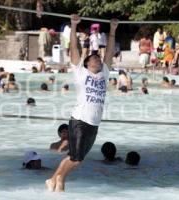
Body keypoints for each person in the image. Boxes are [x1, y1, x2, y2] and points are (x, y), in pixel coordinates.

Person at [45, 14, 118, 192]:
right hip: (79, 120)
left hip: (94, 123)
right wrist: (73, 25)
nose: (98, 59)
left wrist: (113, 30)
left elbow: (108, 52)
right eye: (94, 58)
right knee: (76, 159)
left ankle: (53, 180)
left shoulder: (104, 74)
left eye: (98, 58)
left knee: (77, 158)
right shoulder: (81, 73)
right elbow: (74, 51)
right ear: (86, 64)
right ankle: (59, 178)